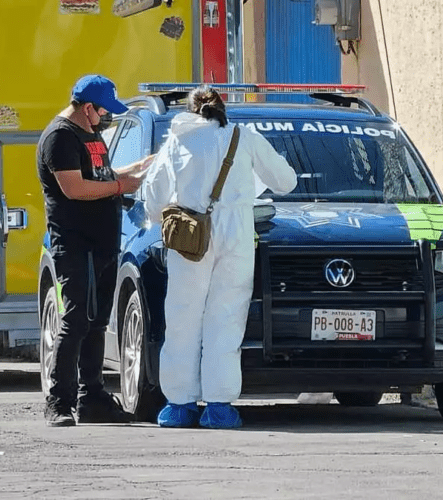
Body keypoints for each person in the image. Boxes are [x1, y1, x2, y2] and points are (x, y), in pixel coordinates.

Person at [142, 86, 297, 428]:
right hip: (237, 235)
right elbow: (286, 181)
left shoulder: (178, 140)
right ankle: (219, 406)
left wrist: (163, 216)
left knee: (183, 317)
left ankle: (180, 405)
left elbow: (153, 197)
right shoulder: (245, 137)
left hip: (191, 237)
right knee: (226, 319)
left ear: (191, 109)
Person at [37, 74, 155, 426]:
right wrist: (122, 185)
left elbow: (97, 174)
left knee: (97, 322)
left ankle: (93, 398)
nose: (107, 117)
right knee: (74, 320)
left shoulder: (91, 135)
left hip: (103, 244)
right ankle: (59, 401)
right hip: (75, 245)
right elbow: (74, 187)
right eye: (104, 110)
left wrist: (133, 169)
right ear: (87, 108)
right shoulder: (60, 138)